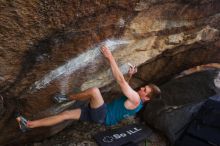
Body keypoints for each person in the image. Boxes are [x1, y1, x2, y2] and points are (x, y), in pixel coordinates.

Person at [16, 46, 161, 132]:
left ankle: (65, 98)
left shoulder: (136, 99)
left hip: (102, 115)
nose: (142, 88)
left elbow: (121, 82)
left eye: (145, 90)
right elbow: (125, 86)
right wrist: (129, 76)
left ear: (146, 98)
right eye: (144, 87)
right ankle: (28, 125)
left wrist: (110, 57)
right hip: (98, 115)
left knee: (94, 91)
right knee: (65, 115)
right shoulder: (136, 100)